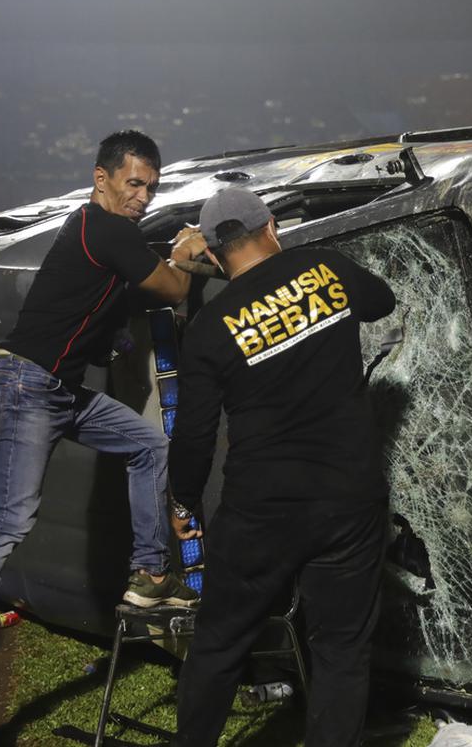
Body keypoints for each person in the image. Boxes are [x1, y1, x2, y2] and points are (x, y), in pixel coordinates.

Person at [0, 130, 205, 724]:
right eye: (134, 183)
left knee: (149, 446)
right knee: (11, 518)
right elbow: (175, 285)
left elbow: (111, 308)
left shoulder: (101, 234)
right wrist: (182, 256)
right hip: (28, 386)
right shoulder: (103, 229)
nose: (143, 196)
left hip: (57, 389)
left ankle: (151, 574)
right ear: (101, 178)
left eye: (151, 187)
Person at [169, 187, 397, 747]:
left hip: (261, 510)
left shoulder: (208, 327)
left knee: (220, 643)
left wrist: (182, 502)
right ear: (272, 226)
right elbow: (382, 302)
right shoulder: (322, 268)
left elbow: (194, 435)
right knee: (342, 651)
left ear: (214, 256)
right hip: (348, 498)